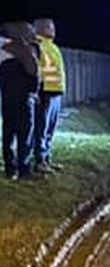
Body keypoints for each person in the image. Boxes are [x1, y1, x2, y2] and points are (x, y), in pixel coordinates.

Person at [1, 22, 42, 180]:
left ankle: (10, 169)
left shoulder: (3, 49)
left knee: (8, 133)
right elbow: (33, 73)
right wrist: (34, 91)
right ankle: (24, 168)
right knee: (25, 134)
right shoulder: (27, 50)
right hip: (24, 98)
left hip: (7, 98)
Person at [33, 18, 66, 172]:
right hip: (45, 92)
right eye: (48, 26)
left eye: (52, 26)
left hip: (55, 93)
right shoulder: (37, 46)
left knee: (50, 128)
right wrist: (37, 91)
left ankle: (47, 158)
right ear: (38, 29)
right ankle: (39, 160)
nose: (52, 29)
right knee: (42, 127)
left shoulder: (52, 47)